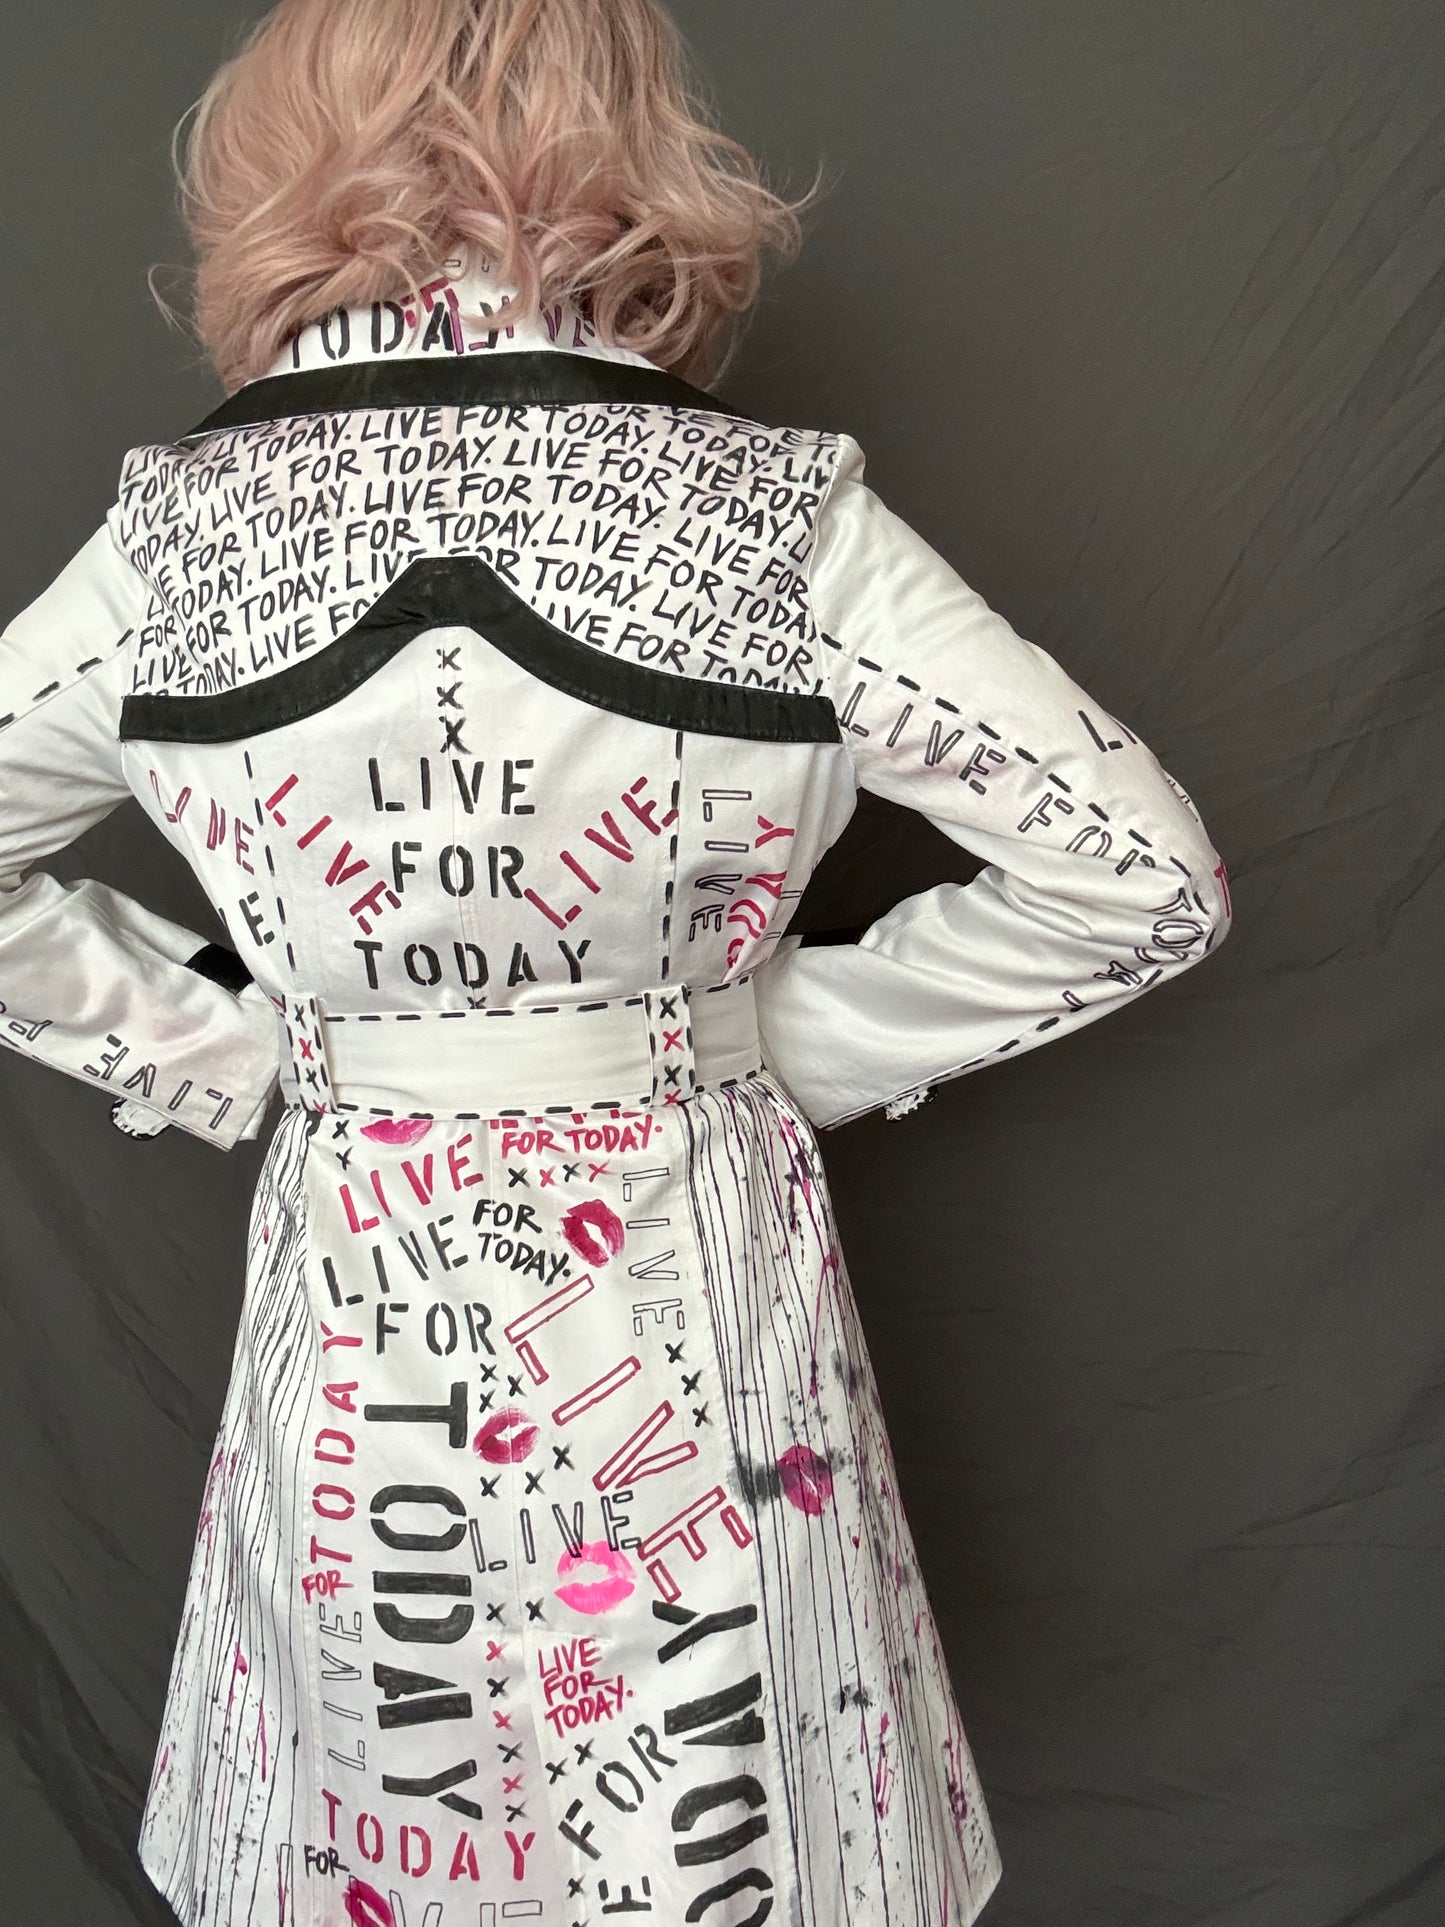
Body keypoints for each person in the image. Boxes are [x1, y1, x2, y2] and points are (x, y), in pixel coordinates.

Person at [0, 1, 1233, 1922]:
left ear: (271, 155)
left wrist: (235, 1057)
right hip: (693, 1269)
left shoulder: (180, 542)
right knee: (724, 1820)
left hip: (364, 1319)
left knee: (375, 1817)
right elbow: (1140, 879)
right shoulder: (764, 519)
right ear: (635, 143)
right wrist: (755, 1041)